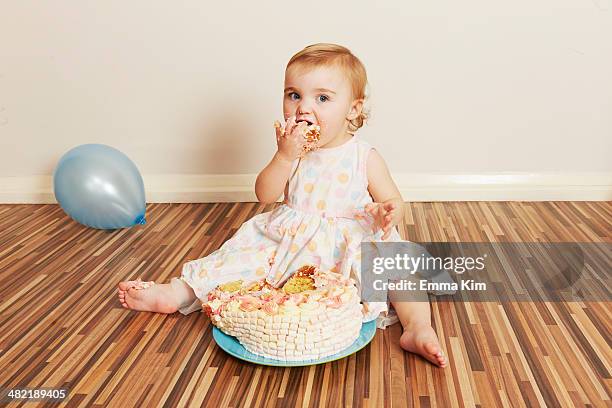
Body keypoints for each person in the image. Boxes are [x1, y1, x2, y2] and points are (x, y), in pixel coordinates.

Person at [118, 43, 447, 367]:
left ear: (353, 109)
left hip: (350, 242)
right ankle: (178, 293)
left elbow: (393, 200)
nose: (303, 107)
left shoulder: (364, 157)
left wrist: (387, 212)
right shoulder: (294, 152)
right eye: (294, 95)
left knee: (400, 270)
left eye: (322, 98)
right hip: (291, 240)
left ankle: (418, 327)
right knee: (234, 260)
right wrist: (284, 156)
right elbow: (265, 195)